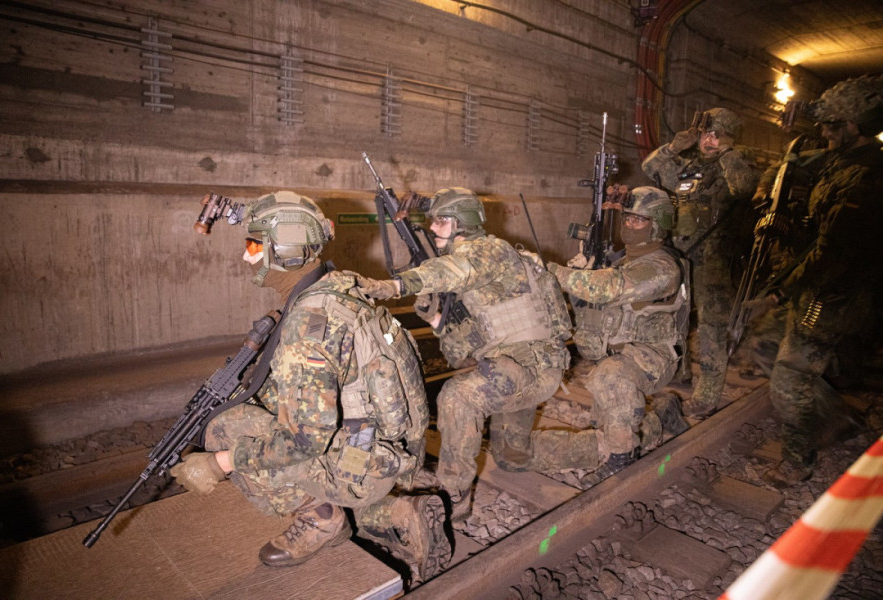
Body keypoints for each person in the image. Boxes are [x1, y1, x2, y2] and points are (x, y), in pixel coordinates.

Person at [169, 191, 451, 583]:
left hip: (362, 463)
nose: (246, 255)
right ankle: (400, 512)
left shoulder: (310, 325)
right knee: (257, 415)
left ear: (283, 251)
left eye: (253, 244)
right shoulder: (341, 287)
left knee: (223, 429)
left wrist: (219, 464)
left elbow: (306, 441)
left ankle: (320, 519)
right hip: (389, 447)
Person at [351, 187, 592, 522]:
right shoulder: (481, 282)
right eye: (433, 221)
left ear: (462, 224)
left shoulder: (491, 251)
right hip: (514, 367)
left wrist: (396, 286)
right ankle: (605, 445)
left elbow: (455, 271)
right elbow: (459, 354)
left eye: (442, 221)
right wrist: (436, 319)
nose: (433, 228)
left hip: (533, 366)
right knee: (512, 456)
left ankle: (455, 493)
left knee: (457, 397)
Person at [745, 75, 883, 487]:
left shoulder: (866, 178)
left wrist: (778, 290)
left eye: (830, 125)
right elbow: (796, 166)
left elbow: (833, 254)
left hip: (837, 293)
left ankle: (797, 460)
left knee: (790, 375)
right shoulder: (841, 161)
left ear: (854, 127)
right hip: (814, 283)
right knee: (766, 342)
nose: (822, 133)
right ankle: (834, 417)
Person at [548, 187, 690, 475]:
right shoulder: (624, 260)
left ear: (657, 225)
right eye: (626, 218)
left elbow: (609, 287)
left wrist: (553, 272)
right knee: (609, 417)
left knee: (611, 379)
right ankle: (664, 416)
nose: (629, 225)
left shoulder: (662, 268)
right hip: (619, 351)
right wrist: (585, 271)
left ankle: (621, 462)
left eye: (639, 220)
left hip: (654, 356)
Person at [642, 107, 760, 417]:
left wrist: (727, 152)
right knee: (678, 317)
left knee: (711, 328)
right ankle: (679, 372)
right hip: (683, 257)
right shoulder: (688, 168)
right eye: (707, 133)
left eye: (718, 134)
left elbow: (744, 188)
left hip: (715, 261)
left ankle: (707, 395)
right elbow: (650, 167)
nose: (710, 140)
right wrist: (674, 147)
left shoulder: (736, 166)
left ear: (730, 138)